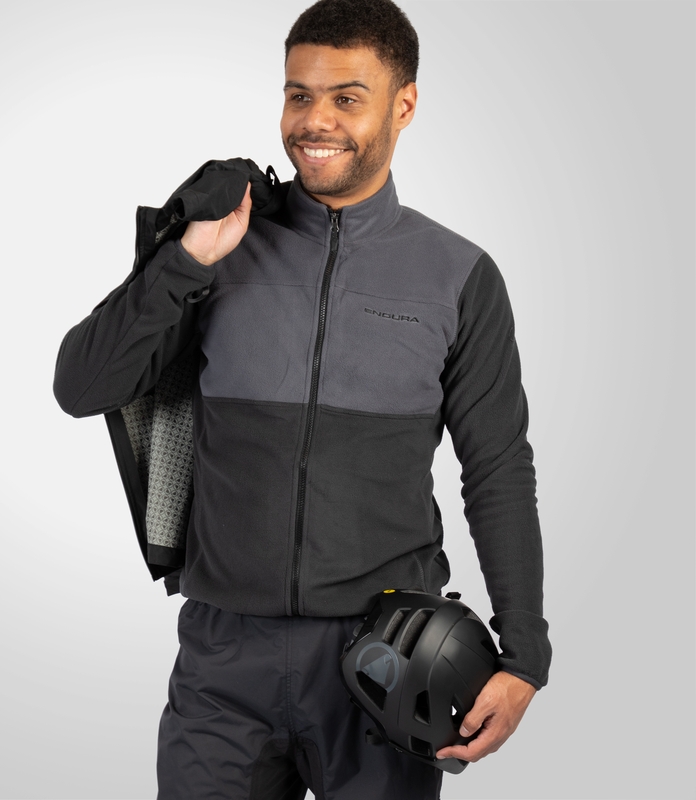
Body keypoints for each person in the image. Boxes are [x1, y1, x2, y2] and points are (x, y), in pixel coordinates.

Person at [53, 0, 552, 797]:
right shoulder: (220, 242)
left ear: (404, 105)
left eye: (346, 98)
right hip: (223, 660)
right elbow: (81, 387)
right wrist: (185, 259)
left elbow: (497, 467)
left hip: (388, 662)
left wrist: (523, 655)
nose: (314, 121)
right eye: (298, 94)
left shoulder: (458, 275)